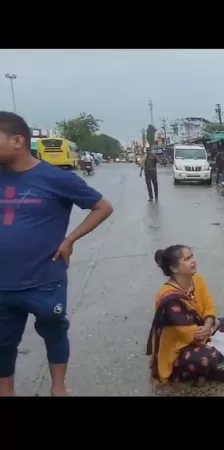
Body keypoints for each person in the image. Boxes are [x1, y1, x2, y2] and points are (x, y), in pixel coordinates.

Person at [0, 111, 113, 397]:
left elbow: (102, 207)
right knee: (2, 343)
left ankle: (58, 388)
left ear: (17, 141)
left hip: (44, 278)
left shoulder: (55, 178)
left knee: (54, 332)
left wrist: (70, 239)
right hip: (2, 283)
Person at [147, 245, 224, 385]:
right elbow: (191, 334)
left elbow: (209, 306)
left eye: (192, 256)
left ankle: (223, 359)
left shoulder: (197, 279)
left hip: (204, 331)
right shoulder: (169, 299)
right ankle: (222, 358)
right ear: (174, 268)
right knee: (208, 356)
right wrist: (212, 328)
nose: (193, 261)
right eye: (187, 259)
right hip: (180, 349)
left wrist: (209, 324)